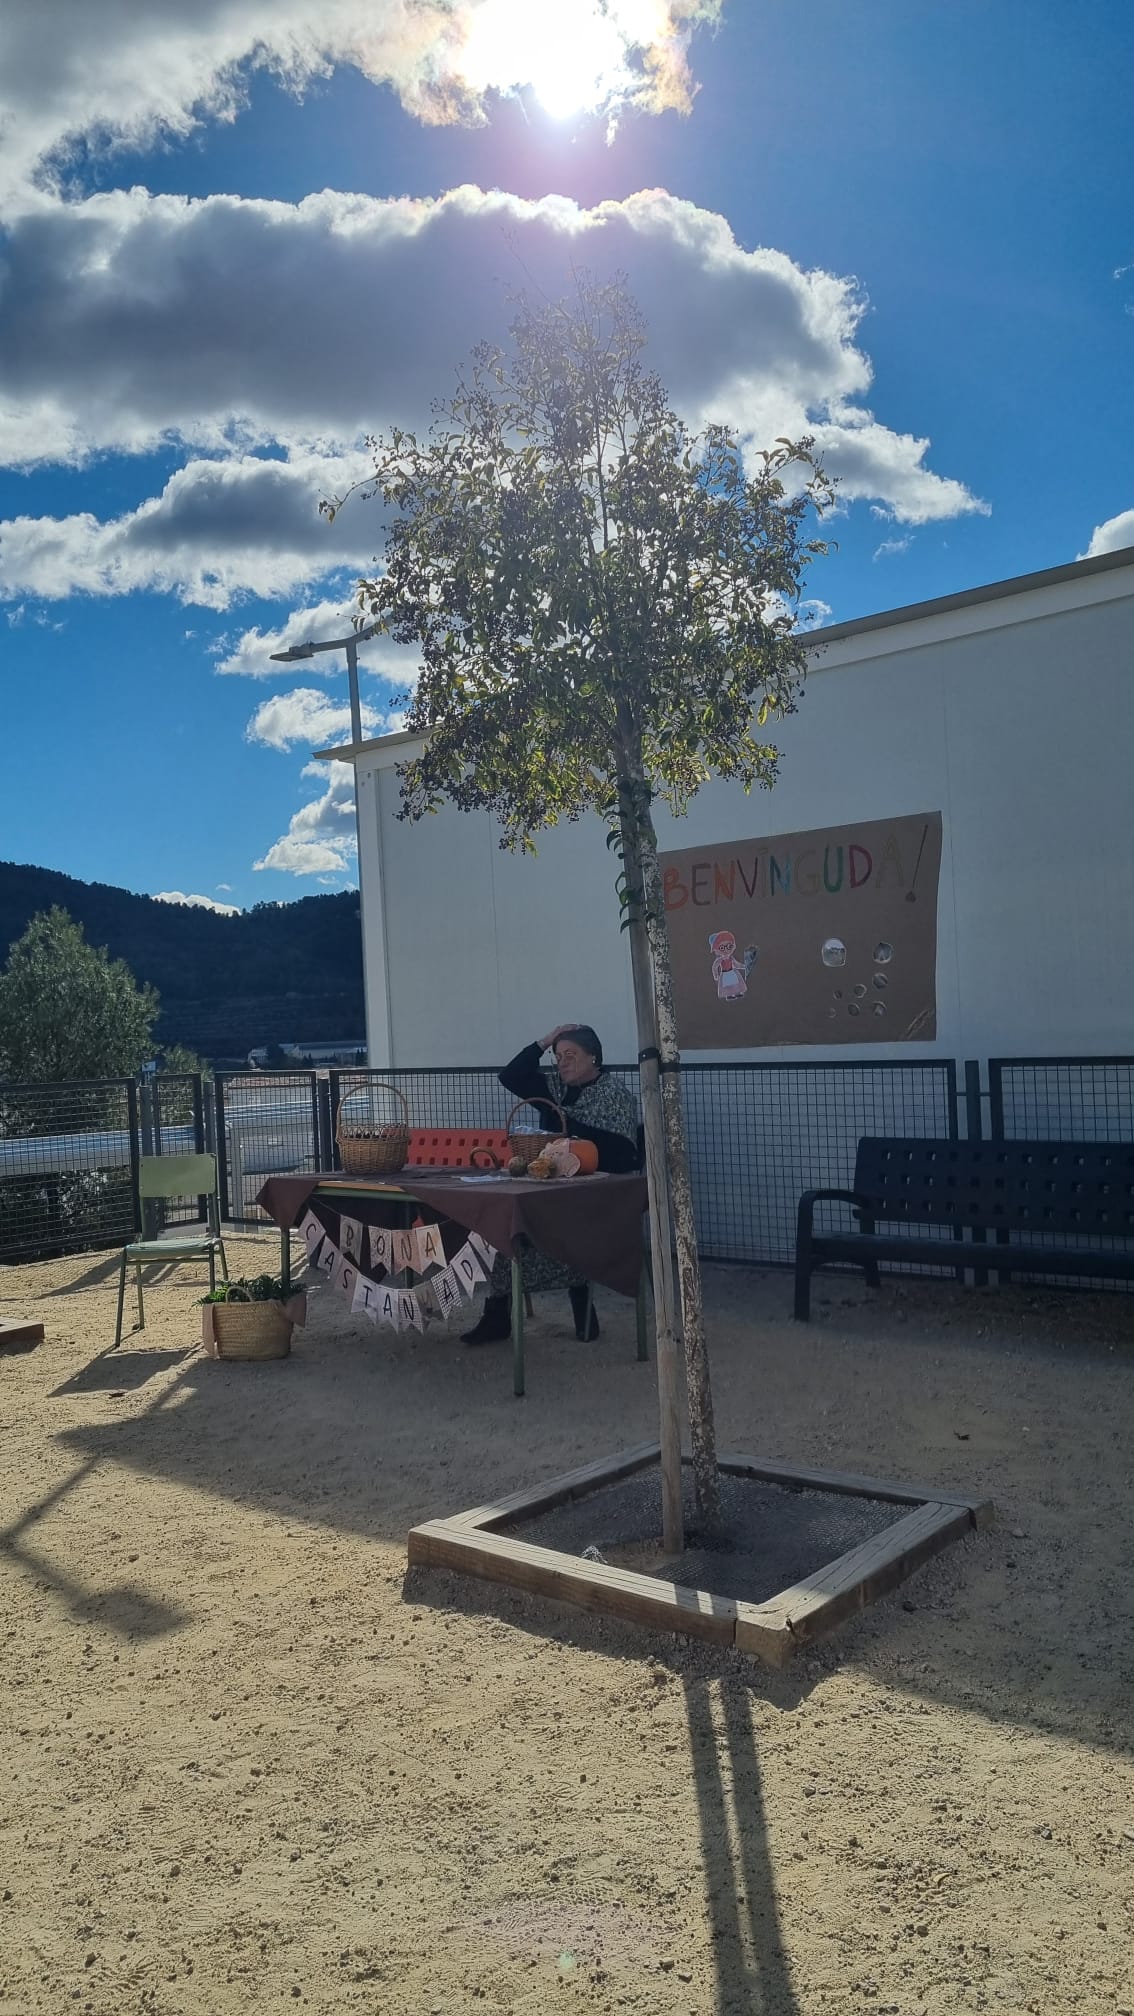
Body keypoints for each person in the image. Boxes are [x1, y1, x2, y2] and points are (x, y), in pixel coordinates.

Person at [461, 1024, 640, 1346]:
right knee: (505, 1225)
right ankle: (498, 1316)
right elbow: (511, 1076)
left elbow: (623, 1156)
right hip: (550, 1189)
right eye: (557, 1057)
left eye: (571, 1055)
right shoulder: (554, 1089)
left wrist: (566, 1135)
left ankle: (578, 1303)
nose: (562, 1062)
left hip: (596, 1197)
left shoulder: (614, 1095)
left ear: (594, 1056)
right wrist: (544, 1042)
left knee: (548, 1229)